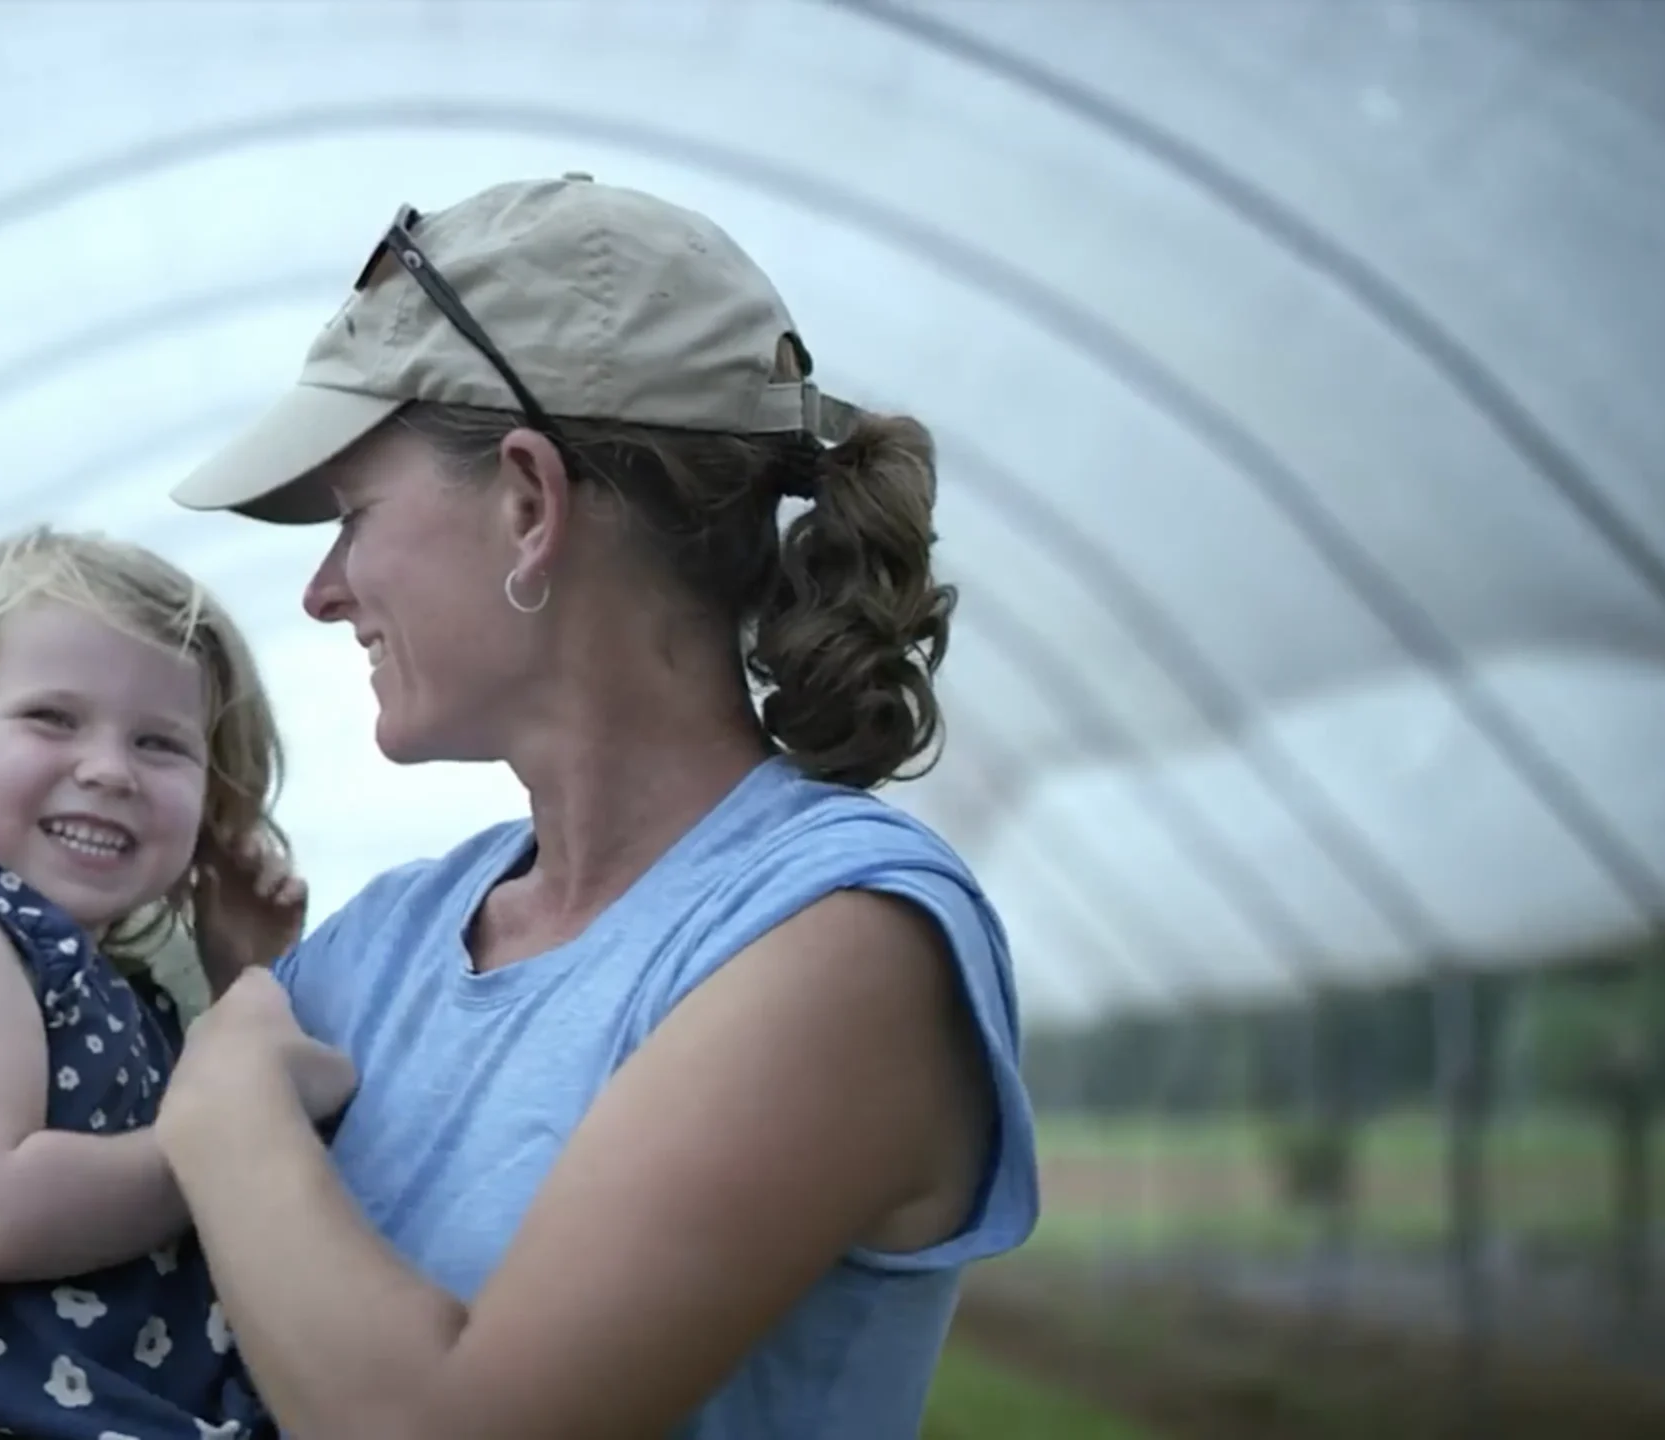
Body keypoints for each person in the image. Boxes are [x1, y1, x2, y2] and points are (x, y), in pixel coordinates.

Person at [153, 174, 1040, 1438]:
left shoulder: (842, 944)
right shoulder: (385, 940)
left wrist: (227, 1103)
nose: (322, 591)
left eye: (352, 515)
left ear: (528, 502)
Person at [0, 526, 347, 1439]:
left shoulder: (109, 983)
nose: (108, 770)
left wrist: (240, 974)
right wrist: (248, 1126)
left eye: (161, 743)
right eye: (53, 719)